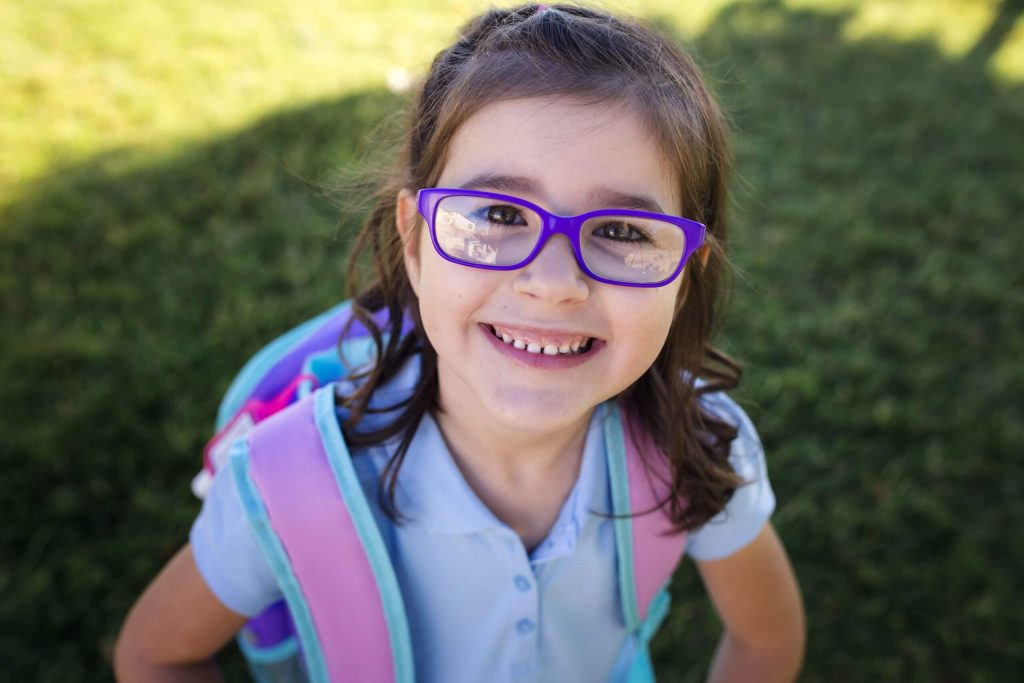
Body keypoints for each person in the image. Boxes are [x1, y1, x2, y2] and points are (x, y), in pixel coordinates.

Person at [114, 4, 805, 682]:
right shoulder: (287, 480)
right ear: (414, 241)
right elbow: (156, 653)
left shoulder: (697, 445)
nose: (553, 283)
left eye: (623, 230)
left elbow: (766, 640)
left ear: (685, 274)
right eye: (500, 214)